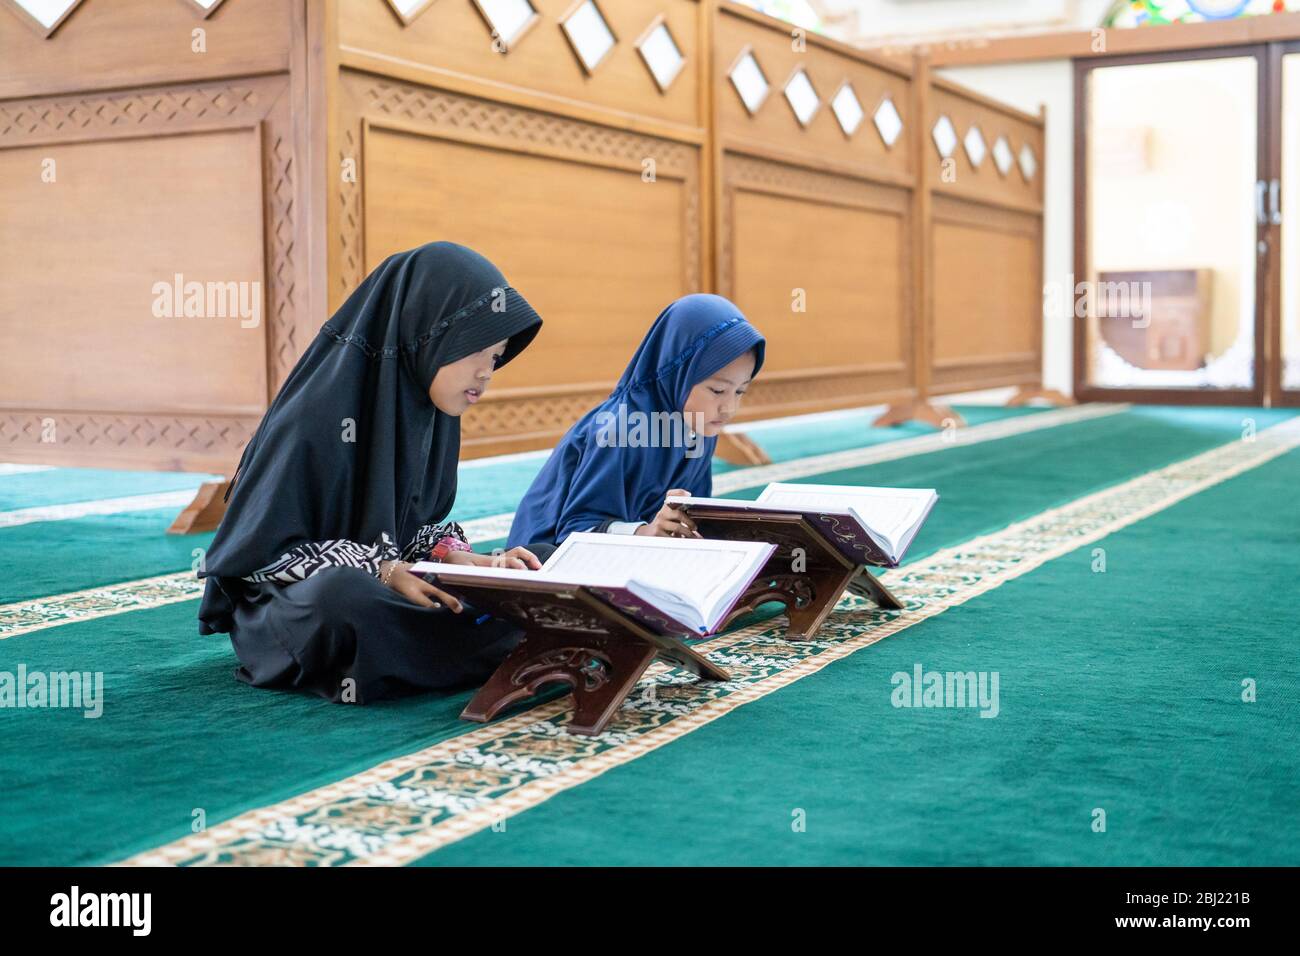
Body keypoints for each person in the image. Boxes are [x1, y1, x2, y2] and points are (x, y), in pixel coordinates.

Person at [197, 242, 545, 704]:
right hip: (297, 603)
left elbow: (408, 528)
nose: (486, 373)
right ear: (427, 332)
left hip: (394, 586)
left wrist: (452, 554)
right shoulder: (316, 415)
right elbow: (260, 559)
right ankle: (517, 644)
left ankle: (474, 644)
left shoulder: (431, 412)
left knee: (538, 563)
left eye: (496, 356)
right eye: (476, 351)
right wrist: (380, 569)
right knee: (344, 600)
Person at [507, 293, 764, 547]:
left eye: (740, 391)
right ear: (677, 373)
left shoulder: (699, 423)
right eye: (717, 391)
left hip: (632, 556)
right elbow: (575, 530)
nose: (729, 408)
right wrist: (644, 532)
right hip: (545, 555)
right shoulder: (622, 430)